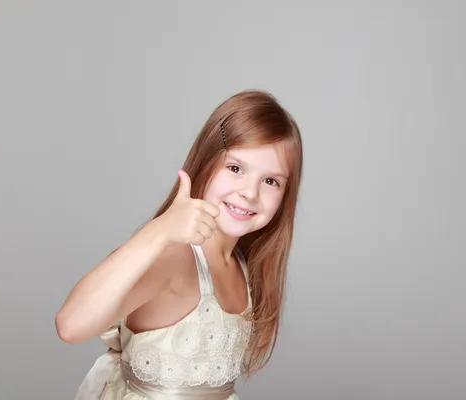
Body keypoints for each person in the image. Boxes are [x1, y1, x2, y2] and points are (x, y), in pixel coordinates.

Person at [55, 89, 304, 399]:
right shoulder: (176, 259)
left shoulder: (241, 265)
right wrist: (159, 232)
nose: (249, 193)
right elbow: (70, 325)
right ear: (206, 162)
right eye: (236, 168)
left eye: (271, 181)